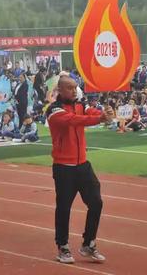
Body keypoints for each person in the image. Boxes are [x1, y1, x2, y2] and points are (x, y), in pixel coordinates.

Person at [47, 75, 114, 264]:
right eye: (70, 88)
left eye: (76, 87)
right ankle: (63, 246)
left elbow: (89, 111)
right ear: (60, 90)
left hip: (82, 164)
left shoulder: (80, 104)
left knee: (96, 203)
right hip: (64, 167)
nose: (74, 90)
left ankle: (88, 243)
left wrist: (104, 113)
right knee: (64, 208)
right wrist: (99, 119)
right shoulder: (53, 110)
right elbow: (73, 121)